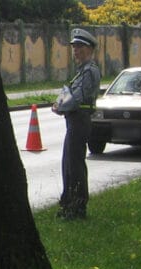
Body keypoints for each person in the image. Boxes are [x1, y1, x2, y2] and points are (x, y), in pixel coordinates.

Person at [52, 28, 100, 220]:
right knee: (68, 163)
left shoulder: (90, 71)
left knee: (75, 164)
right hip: (74, 119)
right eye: (74, 47)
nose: (76, 51)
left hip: (79, 119)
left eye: (80, 47)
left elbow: (78, 98)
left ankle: (77, 206)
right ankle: (69, 202)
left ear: (89, 49)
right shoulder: (81, 72)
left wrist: (61, 107)